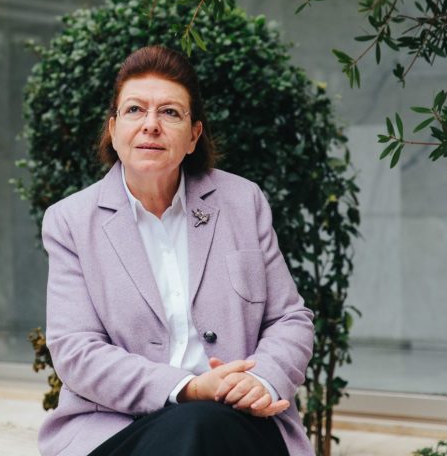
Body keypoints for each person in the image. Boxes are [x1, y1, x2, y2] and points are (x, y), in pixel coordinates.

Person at [37, 46, 314, 456]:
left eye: (169, 113)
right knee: (195, 426)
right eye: (135, 110)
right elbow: (76, 350)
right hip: (117, 428)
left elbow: (289, 319)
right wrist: (189, 388)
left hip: (240, 421)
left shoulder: (242, 202)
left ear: (193, 136)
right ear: (113, 129)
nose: (150, 125)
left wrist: (262, 380)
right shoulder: (71, 221)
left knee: (205, 427)